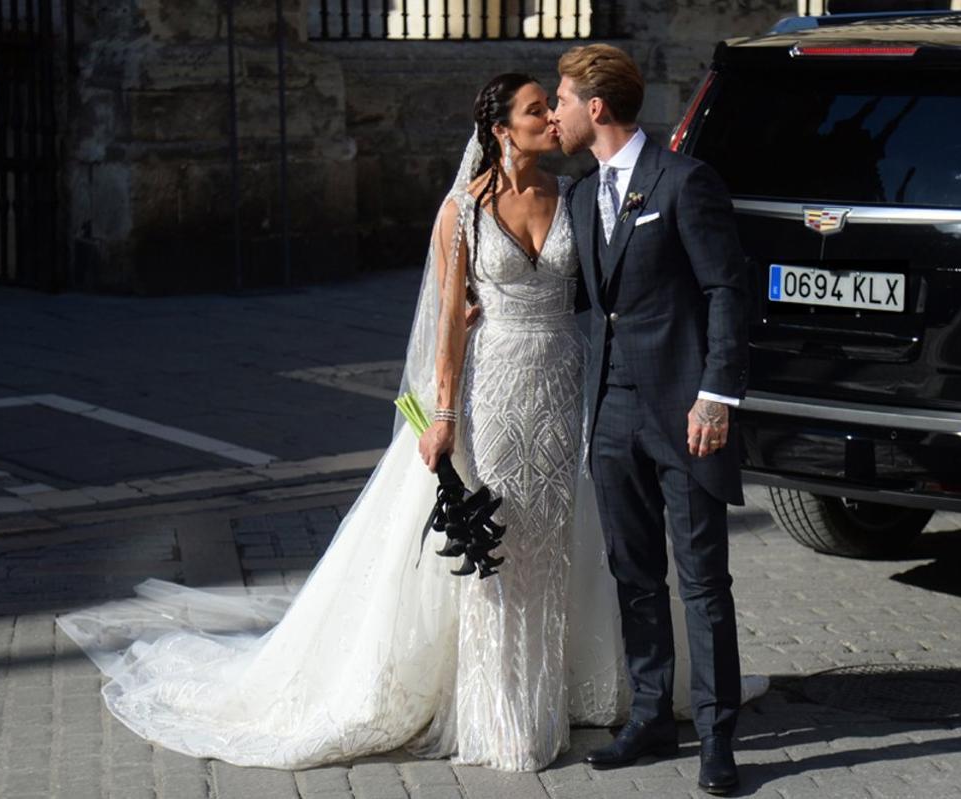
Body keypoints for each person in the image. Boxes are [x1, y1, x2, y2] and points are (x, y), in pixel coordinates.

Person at [57, 73, 764, 773]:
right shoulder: (461, 211)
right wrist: (443, 412)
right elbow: (447, 328)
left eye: (556, 104)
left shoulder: (573, 195)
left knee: (556, 548)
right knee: (497, 550)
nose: (551, 118)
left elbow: (608, 287)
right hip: (494, 395)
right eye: (535, 109)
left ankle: (582, 697)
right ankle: (504, 718)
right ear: (500, 130)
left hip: (563, 392)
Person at [549, 45, 750, 795]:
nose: (556, 113)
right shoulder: (578, 195)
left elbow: (726, 290)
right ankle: (649, 714)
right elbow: (585, 299)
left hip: (683, 411)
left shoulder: (684, 181)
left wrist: (717, 395)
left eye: (563, 99)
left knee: (702, 579)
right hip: (611, 415)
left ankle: (717, 737)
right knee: (633, 572)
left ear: (596, 107)